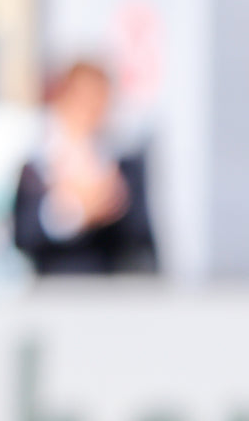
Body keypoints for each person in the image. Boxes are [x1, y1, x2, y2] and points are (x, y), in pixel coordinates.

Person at [12, 60, 156, 276]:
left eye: (98, 103)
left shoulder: (124, 165)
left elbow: (141, 240)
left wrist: (113, 202)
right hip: (54, 291)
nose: (90, 112)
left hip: (112, 294)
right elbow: (24, 235)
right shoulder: (38, 165)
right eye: (83, 101)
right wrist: (72, 211)